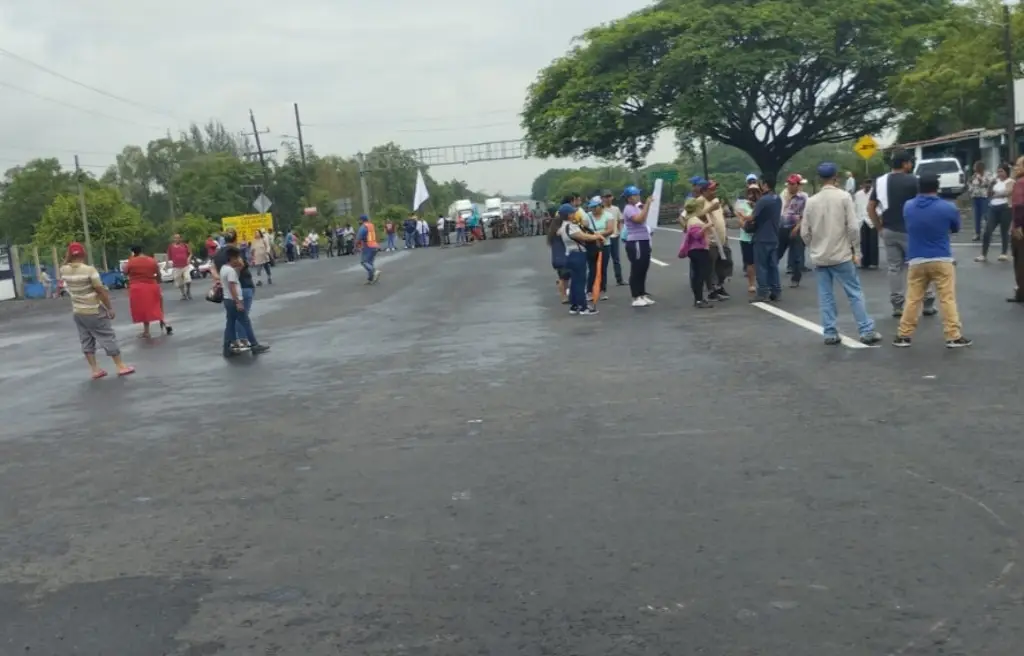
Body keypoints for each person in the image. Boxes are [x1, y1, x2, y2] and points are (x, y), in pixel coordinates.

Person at [801, 162, 881, 346]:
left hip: (820, 256)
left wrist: (813, 246)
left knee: (826, 295)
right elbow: (853, 228)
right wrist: (857, 250)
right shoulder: (844, 197)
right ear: (836, 177)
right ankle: (865, 330)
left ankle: (829, 332)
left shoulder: (811, 201)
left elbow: (805, 232)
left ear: (820, 179)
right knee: (854, 293)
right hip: (841, 254)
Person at [893, 174, 972, 348]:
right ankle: (953, 336)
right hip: (941, 257)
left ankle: (904, 335)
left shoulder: (908, 206)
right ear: (937, 188)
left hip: (916, 258)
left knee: (913, 298)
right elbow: (955, 228)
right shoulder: (948, 207)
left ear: (918, 188)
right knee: (947, 298)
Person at [869, 149, 936, 318]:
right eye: (910, 162)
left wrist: (879, 228)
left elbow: (870, 207)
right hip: (911, 231)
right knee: (920, 265)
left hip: (889, 229)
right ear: (905, 164)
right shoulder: (914, 181)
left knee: (894, 268)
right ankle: (927, 302)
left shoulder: (880, 181)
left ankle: (897, 305)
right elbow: (924, 204)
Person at [60, 242, 135, 379]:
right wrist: (109, 307)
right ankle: (120, 366)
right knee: (107, 336)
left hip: (78, 311)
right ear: (83, 253)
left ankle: (95, 369)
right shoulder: (89, 270)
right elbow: (99, 290)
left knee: (86, 339)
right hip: (93, 309)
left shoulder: (64, 270)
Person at [219, 246, 269, 357]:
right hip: (234, 300)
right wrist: (238, 302)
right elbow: (232, 287)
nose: (238, 260)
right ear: (231, 258)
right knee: (245, 322)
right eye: (236, 258)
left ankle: (227, 347)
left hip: (227, 300)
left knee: (230, 324)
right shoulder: (230, 271)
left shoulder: (223, 268)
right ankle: (254, 345)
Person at [555, 203, 604, 315]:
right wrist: (597, 236)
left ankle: (574, 305)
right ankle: (583, 307)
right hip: (577, 255)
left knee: (575, 282)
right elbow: (583, 237)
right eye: (572, 212)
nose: (574, 214)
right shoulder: (570, 226)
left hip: (570, 255)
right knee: (580, 282)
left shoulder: (563, 226)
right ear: (568, 215)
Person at [212, 230, 256, 353]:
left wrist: (220, 278)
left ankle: (230, 344)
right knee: (242, 317)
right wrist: (234, 273)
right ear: (235, 239)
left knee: (231, 319)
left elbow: (212, 269)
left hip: (226, 291)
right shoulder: (235, 252)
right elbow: (241, 265)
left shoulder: (218, 254)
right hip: (242, 286)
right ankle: (245, 341)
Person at [124, 245, 172, 338]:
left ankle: (146, 331)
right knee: (157, 306)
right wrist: (157, 282)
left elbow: (125, 272)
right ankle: (165, 323)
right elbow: (158, 274)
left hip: (137, 288)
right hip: (152, 285)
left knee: (144, 310)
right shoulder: (151, 260)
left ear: (133, 252)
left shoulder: (131, 262)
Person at [750, 175, 782, 302]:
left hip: (762, 237)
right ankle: (776, 290)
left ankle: (762, 292)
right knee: (773, 265)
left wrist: (740, 216)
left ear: (765, 185)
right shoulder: (777, 199)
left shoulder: (763, 200)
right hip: (774, 236)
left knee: (761, 266)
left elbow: (752, 218)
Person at [696, 181, 730, 299]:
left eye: (714, 189)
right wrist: (710, 208)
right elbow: (695, 216)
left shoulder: (715, 201)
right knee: (711, 267)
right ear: (704, 191)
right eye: (711, 190)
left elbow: (720, 218)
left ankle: (719, 286)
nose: (713, 192)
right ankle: (713, 290)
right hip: (710, 240)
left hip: (721, 239)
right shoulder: (700, 201)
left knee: (725, 264)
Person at [622, 185, 654, 307]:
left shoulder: (637, 207)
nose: (638, 197)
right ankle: (635, 296)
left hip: (644, 239)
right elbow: (639, 219)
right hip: (635, 241)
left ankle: (642, 294)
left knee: (644, 268)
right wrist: (646, 205)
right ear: (629, 198)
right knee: (637, 268)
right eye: (635, 195)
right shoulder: (629, 209)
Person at [680, 197, 715, 308]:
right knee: (700, 275)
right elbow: (697, 235)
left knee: (697, 275)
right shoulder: (694, 220)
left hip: (695, 250)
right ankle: (699, 300)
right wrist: (707, 226)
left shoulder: (690, 219)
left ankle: (699, 299)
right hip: (698, 250)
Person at [976, 162, 1014, 263]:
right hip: (993, 207)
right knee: (987, 230)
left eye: (1001, 171)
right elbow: (988, 193)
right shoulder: (995, 181)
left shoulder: (1010, 181)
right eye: (998, 171)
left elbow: (1008, 192)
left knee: (1004, 231)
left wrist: (996, 194)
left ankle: (1004, 253)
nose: (999, 173)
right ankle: (983, 254)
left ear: (1006, 171)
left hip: (1005, 208)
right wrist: (992, 187)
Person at [778, 174, 808, 288]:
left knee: (796, 255)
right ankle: (770, 276)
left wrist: (797, 227)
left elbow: (805, 214)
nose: (790, 186)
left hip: (796, 227)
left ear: (798, 185)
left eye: (793, 184)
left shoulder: (803, 197)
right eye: (789, 184)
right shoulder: (782, 195)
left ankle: (796, 278)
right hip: (782, 227)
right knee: (777, 253)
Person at [585, 198, 614, 301]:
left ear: (600, 206)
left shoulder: (608, 216)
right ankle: (589, 291)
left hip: (604, 245)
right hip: (591, 245)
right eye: (591, 207)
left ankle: (602, 290)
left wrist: (598, 234)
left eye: (595, 207)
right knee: (592, 268)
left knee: (602, 269)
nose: (593, 209)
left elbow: (610, 230)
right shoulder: (587, 216)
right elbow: (584, 229)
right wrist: (594, 236)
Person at [733, 184, 760, 294]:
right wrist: (747, 224)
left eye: (755, 192)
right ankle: (751, 284)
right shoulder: (742, 204)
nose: (752, 194)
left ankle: (762, 283)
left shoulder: (761, 204)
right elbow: (740, 220)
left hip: (759, 237)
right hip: (746, 238)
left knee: (760, 262)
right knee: (750, 263)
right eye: (750, 192)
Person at [598, 190, 625, 286]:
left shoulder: (616, 209)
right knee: (603, 260)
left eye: (609, 196)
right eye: (606, 197)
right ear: (602, 198)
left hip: (615, 236)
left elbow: (620, 221)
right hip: (605, 237)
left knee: (616, 259)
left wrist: (620, 232)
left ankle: (619, 279)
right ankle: (601, 281)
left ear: (612, 197)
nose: (608, 198)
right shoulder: (601, 209)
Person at [548, 206, 571, 304]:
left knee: (563, 277)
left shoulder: (552, 233)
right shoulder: (559, 232)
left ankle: (564, 295)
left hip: (557, 258)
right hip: (562, 258)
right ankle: (564, 296)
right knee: (563, 278)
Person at [968, 161, 995, 242]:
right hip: (975, 197)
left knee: (986, 216)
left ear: (980, 167)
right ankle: (977, 234)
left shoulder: (988, 174)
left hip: (984, 197)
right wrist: (970, 186)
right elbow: (971, 185)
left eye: (975, 167)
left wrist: (982, 180)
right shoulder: (974, 176)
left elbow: (991, 183)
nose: (974, 168)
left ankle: (989, 233)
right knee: (977, 216)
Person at [854, 180, 878, 268]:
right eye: (865, 184)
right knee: (863, 242)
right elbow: (855, 206)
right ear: (862, 184)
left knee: (873, 242)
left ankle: (873, 262)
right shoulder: (858, 194)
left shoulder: (875, 193)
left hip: (872, 219)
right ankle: (864, 262)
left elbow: (879, 206)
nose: (867, 186)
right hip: (861, 219)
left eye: (869, 185)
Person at [1010, 156, 1024, 303]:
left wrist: (1018, 225)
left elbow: (1020, 205)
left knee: (1020, 261)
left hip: (1021, 227)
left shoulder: (1020, 183)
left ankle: (1021, 293)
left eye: (1018, 165)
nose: (1015, 168)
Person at [356, 214, 381, 284]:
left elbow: (358, 238)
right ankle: (371, 279)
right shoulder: (371, 225)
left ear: (361, 220)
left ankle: (374, 271)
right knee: (370, 263)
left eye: (359, 220)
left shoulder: (363, 227)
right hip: (374, 246)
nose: (358, 221)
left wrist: (355, 246)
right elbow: (376, 235)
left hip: (368, 246)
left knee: (364, 262)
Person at [166, 233, 192, 300]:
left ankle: (188, 291)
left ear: (180, 238)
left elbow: (190, 253)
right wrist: (167, 264)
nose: (176, 239)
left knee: (188, 279)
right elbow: (167, 255)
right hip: (176, 267)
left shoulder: (185, 245)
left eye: (178, 238)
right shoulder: (170, 246)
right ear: (173, 239)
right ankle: (183, 294)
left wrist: (189, 258)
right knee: (179, 282)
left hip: (185, 266)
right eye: (175, 238)